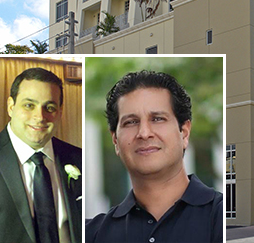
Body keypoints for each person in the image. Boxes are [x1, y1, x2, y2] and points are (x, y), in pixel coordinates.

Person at [86, 70, 223, 243]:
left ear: (184, 133)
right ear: (115, 140)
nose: (144, 133)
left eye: (157, 119)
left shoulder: (221, 218)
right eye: (131, 122)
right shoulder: (91, 234)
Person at [0, 67, 82, 243]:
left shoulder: (79, 158)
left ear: (60, 112)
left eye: (49, 107)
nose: (40, 116)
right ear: (11, 106)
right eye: (29, 105)